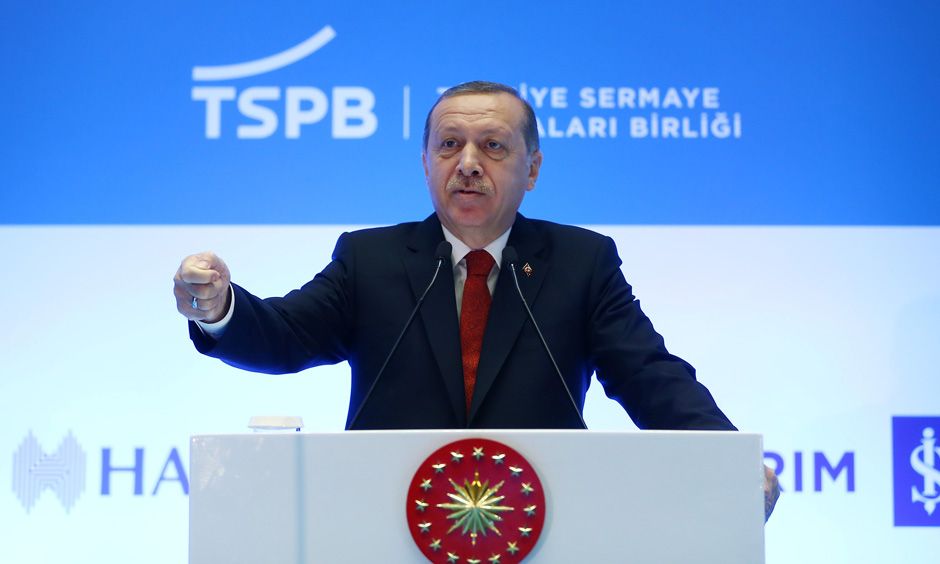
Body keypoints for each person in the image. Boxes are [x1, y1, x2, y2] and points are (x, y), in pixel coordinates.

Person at [173, 80, 779, 518]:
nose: (467, 164)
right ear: (425, 162)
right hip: (384, 526)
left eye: (492, 146)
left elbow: (649, 375)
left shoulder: (581, 262)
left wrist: (728, 462)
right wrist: (219, 307)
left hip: (540, 526)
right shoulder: (370, 259)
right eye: (449, 145)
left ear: (532, 168)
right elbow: (284, 335)